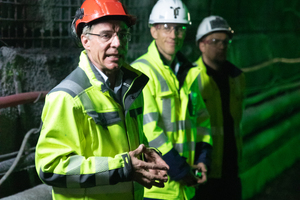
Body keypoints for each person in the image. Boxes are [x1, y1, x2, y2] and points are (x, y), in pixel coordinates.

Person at [34, 0, 170, 200]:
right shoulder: (68, 97)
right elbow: (50, 167)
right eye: (106, 35)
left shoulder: (130, 87)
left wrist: (146, 156)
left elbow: (124, 147)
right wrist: (122, 167)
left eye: (122, 35)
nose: (117, 43)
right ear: (85, 41)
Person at [131, 0, 213, 199]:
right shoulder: (141, 72)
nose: (173, 35)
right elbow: (149, 130)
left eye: (180, 28)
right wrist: (180, 170)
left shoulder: (190, 73)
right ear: (153, 31)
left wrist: (203, 159)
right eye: (166, 27)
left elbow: (202, 119)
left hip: (187, 187)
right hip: (158, 189)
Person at [192, 15, 246, 200]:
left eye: (225, 41)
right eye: (215, 41)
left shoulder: (237, 77)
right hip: (203, 168)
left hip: (231, 168)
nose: (222, 46)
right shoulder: (191, 79)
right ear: (202, 45)